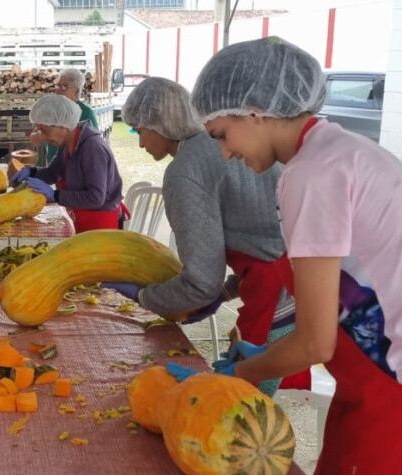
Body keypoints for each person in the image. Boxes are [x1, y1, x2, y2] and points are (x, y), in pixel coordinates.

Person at [189, 37, 402, 475]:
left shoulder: (313, 174)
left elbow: (315, 342)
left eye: (221, 134)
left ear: (255, 109)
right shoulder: (336, 152)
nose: (224, 153)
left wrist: (239, 375)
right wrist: (263, 356)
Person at [101, 77, 307, 396]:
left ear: (161, 124)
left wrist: (145, 296)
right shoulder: (221, 143)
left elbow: (200, 282)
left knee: (241, 407)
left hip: (276, 297)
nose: (140, 143)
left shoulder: (185, 170)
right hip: (297, 285)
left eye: (139, 130)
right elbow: (262, 237)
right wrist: (223, 294)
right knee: (248, 393)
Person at [11, 94, 123, 233]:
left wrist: (55, 195)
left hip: (99, 222)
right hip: (79, 215)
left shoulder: (92, 148)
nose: (43, 137)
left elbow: (95, 198)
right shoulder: (68, 143)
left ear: (62, 126)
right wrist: (31, 172)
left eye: (45, 131)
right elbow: (53, 173)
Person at [32, 68, 100, 167]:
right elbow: (38, 131)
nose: (57, 90)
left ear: (76, 91)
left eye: (64, 86)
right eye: (58, 85)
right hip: (53, 167)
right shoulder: (53, 109)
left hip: (76, 168)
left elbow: (94, 147)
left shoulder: (86, 113)